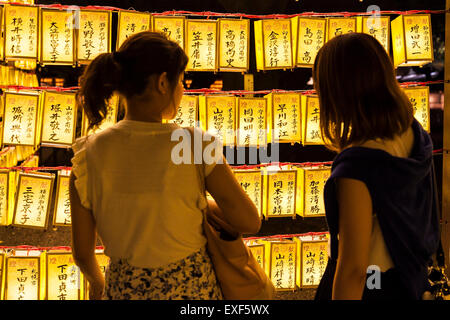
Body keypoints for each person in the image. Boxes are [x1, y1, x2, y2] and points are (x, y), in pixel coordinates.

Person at [69, 31, 261, 300]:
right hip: (192, 292)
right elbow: (249, 221)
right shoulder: (193, 145)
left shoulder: (87, 153)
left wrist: (99, 284)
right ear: (162, 82)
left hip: (123, 290)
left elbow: (82, 253)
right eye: (181, 81)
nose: (182, 89)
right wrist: (203, 207)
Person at [312, 33, 440, 300]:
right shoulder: (414, 135)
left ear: (338, 92)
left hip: (370, 289)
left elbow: (354, 269)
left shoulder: (357, 167)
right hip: (408, 282)